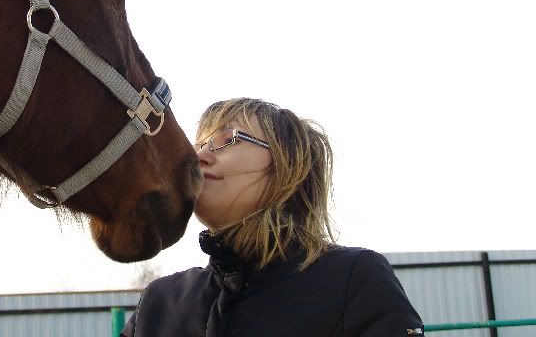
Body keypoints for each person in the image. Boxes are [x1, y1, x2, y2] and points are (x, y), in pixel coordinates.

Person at [122, 97, 424, 336]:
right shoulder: (157, 305)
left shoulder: (354, 279)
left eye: (226, 139)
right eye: (198, 145)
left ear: (286, 164)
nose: (199, 156)